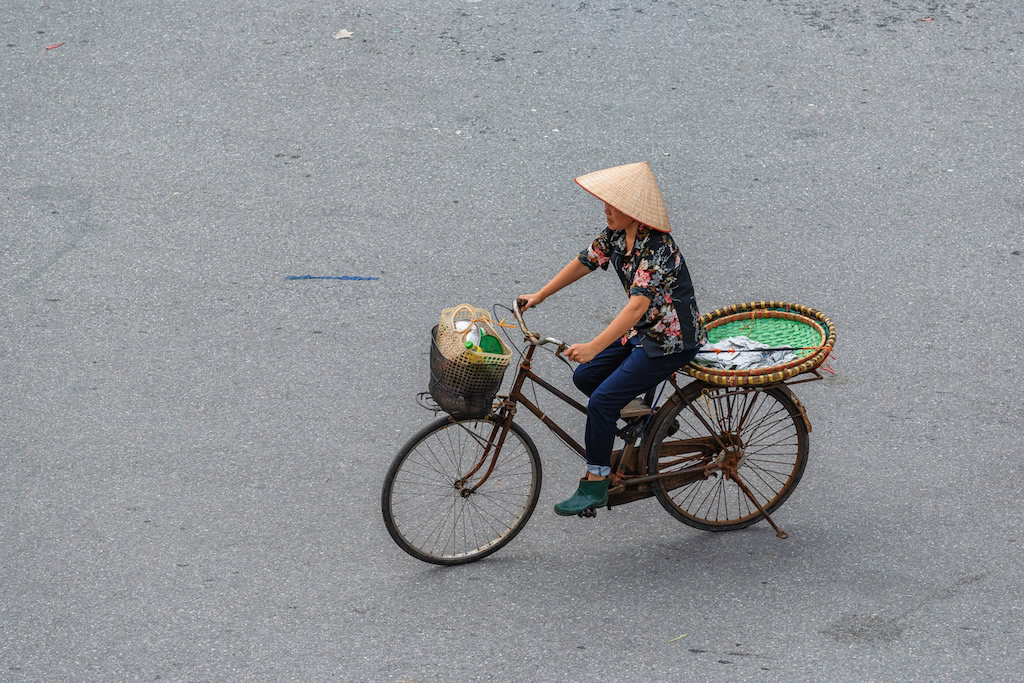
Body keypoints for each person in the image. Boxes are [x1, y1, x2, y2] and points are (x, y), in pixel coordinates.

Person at [519, 161, 706, 516]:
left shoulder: (658, 249)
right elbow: (584, 262)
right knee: (585, 376)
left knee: (602, 402)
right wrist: (540, 295)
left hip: (670, 341)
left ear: (634, 212)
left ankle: (596, 482)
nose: (606, 209)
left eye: (614, 205)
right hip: (644, 334)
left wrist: (594, 345)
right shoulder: (617, 236)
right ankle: (648, 421)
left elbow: (636, 308)